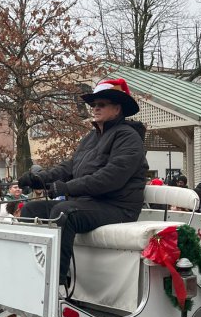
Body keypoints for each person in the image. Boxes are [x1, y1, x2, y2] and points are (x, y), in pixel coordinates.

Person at [19, 78, 148, 285]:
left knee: (64, 213)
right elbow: (68, 167)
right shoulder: (91, 137)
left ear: (117, 109)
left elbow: (110, 178)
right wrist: (39, 179)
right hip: (89, 203)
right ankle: (32, 269)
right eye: (94, 105)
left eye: (101, 105)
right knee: (30, 210)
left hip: (117, 206)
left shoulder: (128, 137)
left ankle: (57, 282)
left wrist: (65, 188)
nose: (95, 108)